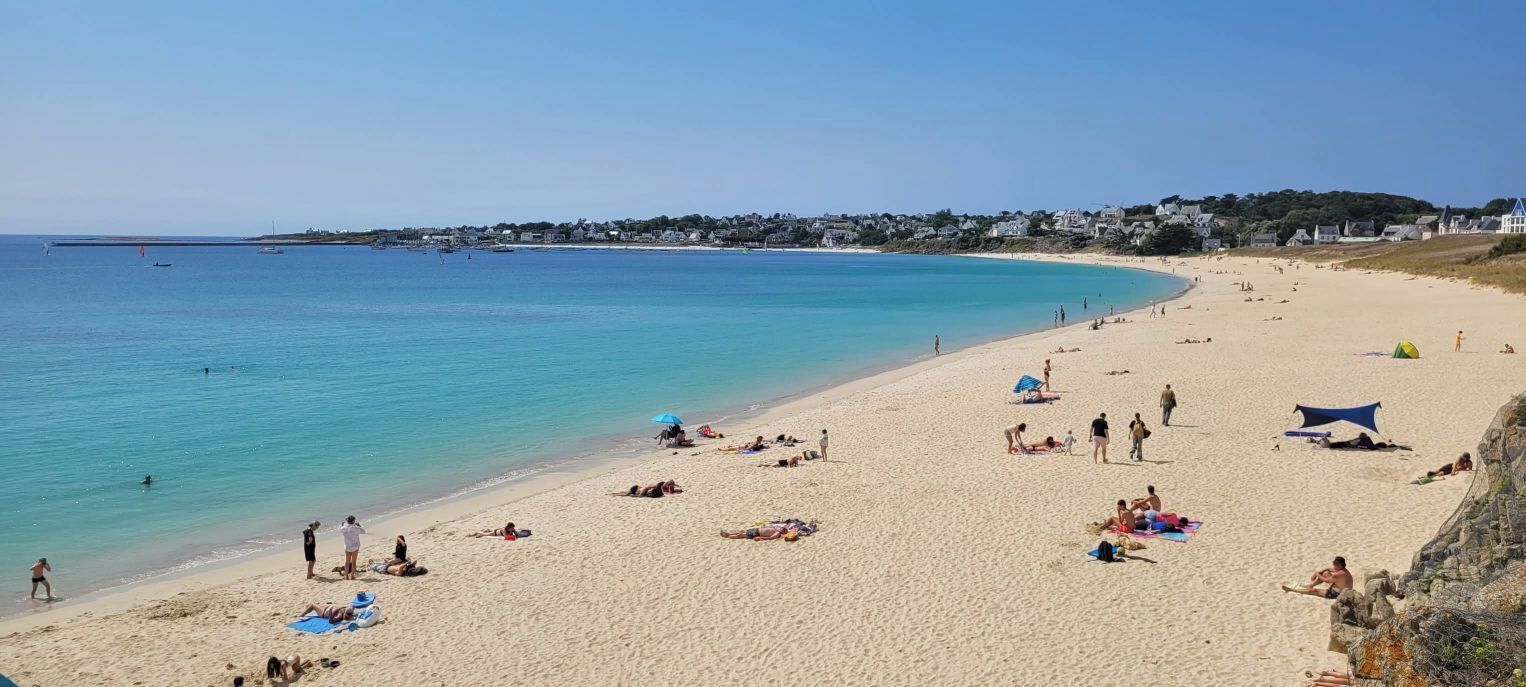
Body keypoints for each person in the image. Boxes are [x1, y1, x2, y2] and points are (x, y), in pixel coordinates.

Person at [1282, 556, 1354, 599]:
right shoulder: (1342, 569)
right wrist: (1318, 572)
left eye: (1335, 564)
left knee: (1314, 591)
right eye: (1333, 563)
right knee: (1325, 573)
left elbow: (1325, 580)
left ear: (1340, 565)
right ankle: (1310, 585)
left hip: (1337, 594)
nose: (1333, 566)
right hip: (1338, 586)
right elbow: (1328, 569)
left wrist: (1316, 573)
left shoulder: (1339, 574)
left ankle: (1292, 590)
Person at [338, 516, 365, 581]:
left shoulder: (344, 528)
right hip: (355, 547)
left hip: (347, 547)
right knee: (354, 562)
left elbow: (339, 530)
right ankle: (352, 576)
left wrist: (341, 524)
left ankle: (346, 576)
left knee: (347, 562)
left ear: (347, 521)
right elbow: (364, 531)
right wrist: (359, 525)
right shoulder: (356, 528)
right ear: (353, 521)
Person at [720, 524, 788, 540]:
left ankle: (728, 536)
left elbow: (770, 538)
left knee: (741, 535)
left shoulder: (777, 533)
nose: (782, 528)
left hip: (757, 533)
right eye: (783, 528)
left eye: (783, 529)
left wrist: (760, 538)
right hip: (756, 529)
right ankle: (728, 533)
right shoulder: (775, 528)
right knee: (742, 532)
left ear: (783, 532)